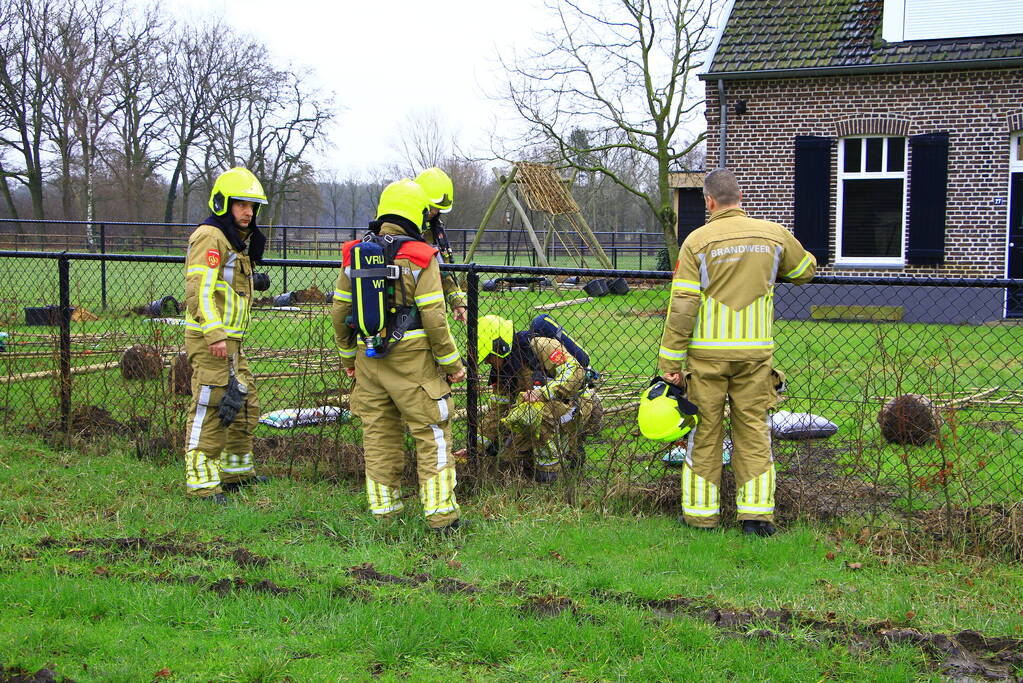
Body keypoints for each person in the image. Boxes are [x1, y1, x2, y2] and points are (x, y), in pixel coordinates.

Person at [657, 168, 816, 536]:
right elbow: (806, 269)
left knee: (705, 436)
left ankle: (701, 518)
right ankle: (756, 520)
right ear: (740, 198)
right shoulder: (773, 235)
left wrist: (670, 361)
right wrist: (772, 270)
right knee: (754, 433)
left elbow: (682, 306)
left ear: (709, 201)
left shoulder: (697, 241)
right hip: (755, 358)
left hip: (707, 359)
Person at [331, 179, 466, 532]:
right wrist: (452, 363)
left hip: (367, 358)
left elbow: (338, 311)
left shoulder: (356, 252)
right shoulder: (422, 256)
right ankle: (441, 515)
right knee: (432, 431)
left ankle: (385, 511)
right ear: (415, 214)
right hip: (412, 361)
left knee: (378, 434)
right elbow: (435, 318)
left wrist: (348, 358)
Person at [182, 167, 271, 503]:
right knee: (211, 405)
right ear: (224, 204)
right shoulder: (211, 237)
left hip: (232, 341)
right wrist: (215, 334)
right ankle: (203, 485)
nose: (248, 212)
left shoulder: (235, 239)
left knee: (246, 403)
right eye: (241, 205)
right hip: (212, 341)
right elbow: (199, 290)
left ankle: (236, 473)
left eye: (252, 206)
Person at [463, 315, 597, 483]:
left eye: (489, 358)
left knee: (533, 413)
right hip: (538, 413)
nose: (488, 363)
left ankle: (549, 475)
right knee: (508, 457)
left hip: (574, 404)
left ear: (500, 347)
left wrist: (543, 393)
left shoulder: (541, 346)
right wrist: (474, 447)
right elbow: (497, 412)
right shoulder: (503, 371)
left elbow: (576, 372)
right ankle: (537, 463)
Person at [414, 167, 467, 323]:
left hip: (433, 310)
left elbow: (445, 271)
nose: (435, 211)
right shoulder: (401, 229)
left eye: (438, 208)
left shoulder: (436, 231)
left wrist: (458, 303)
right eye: (431, 207)